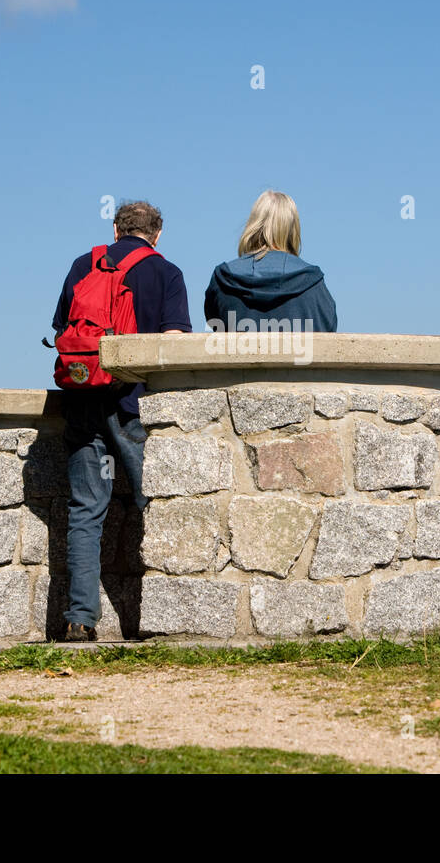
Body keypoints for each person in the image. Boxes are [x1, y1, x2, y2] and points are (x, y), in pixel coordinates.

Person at [50, 200, 190, 641]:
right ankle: (162, 619)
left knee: (86, 510)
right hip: (134, 407)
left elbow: (61, 331)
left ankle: (79, 620)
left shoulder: (82, 264)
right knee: (158, 504)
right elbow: (174, 346)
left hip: (83, 398)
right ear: (158, 234)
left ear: (115, 229)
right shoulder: (166, 273)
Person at [203, 190, 337, 332]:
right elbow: (328, 327)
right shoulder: (314, 285)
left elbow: (214, 323)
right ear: (292, 229)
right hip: (299, 353)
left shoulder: (223, 280)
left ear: (253, 224)